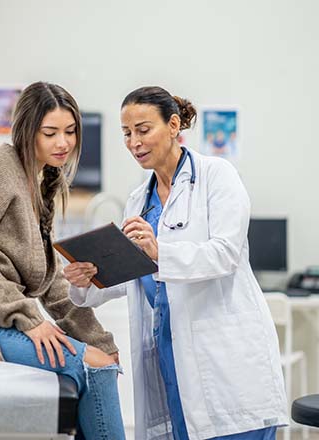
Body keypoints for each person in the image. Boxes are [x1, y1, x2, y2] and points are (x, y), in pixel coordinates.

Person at [64, 86, 287, 440]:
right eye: (126, 133)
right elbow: (134, 276)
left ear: (172, 125)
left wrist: (159, 251)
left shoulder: (217, 175)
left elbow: (226, 253)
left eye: (142, 129)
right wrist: (87, 279)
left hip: (224, 357)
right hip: (170, 354)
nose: (133, 141)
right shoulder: (139, 201)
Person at [0, 81, 126, 440]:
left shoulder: (40, 180)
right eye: (51, 133)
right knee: (94, 369)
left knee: (102, 360)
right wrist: (27, 319)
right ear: (27, 131)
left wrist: (98, 338)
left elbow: (53, 285)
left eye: (70, 131)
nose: (63, 142)